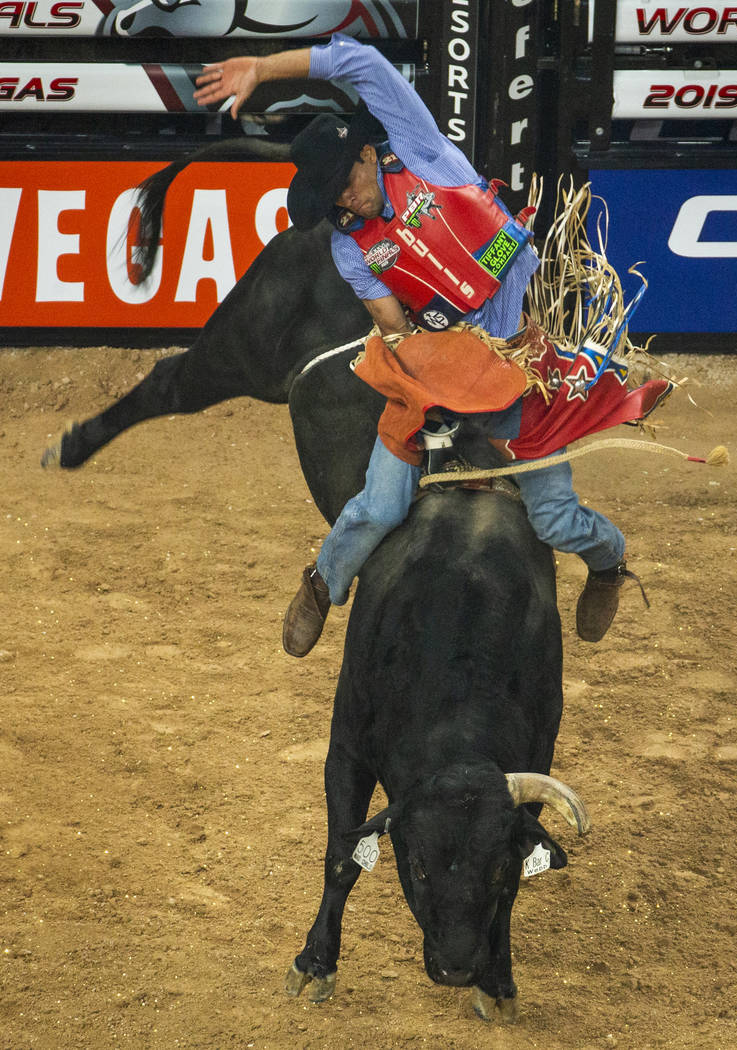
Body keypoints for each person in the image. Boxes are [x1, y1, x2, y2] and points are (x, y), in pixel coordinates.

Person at [194, 34, 638, 656]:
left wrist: (263, 66)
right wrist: (431, 376)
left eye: (346, 180)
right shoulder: (351, 248)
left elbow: (362, 63)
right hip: (438, 371)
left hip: (516, 369)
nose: (347, 199)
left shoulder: (420, 147)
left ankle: (609, 561)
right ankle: (323, 583)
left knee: (557, 519)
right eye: (333, 199)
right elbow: (394, 328)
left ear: (368, 154)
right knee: (376, 508)